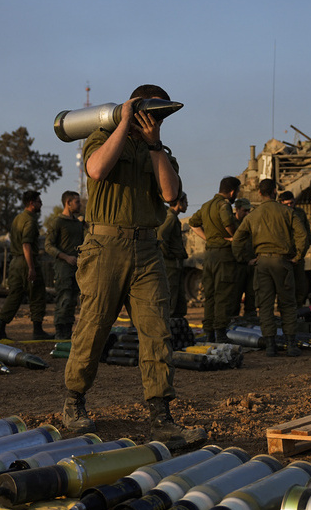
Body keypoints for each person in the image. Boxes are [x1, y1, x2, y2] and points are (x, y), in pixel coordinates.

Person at [61, 84, 206, 449]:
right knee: (94, 327)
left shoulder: (160, 152)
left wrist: (154, 144)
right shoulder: (102, 137)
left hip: (147, 248)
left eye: (158, 116)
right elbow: (95, 170)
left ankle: (161, 417)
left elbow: (171, 195)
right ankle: (74, 401)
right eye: (148, 113)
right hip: (105, 246)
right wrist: (124, 124)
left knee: (157, 332)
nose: (153, 120)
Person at [232, 178, 307, 357]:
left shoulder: (252, 216)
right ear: (275, 191)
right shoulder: (288, 212)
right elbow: (302, 235)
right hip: (283, 262)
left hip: (262, 263)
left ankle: (271, 345)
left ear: (259, 193)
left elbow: (237, 240)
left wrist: (245, 259)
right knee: (287, 303)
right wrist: (298, 256)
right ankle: (290, 344)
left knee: (265, 305)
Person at [0, 190, 51, 341]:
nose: (41, 204)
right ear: (32, 203)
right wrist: (31, 267)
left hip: (16, 262)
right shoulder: (30, 221)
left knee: (15, 295)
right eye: (38, 201)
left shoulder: (18, 218)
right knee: (37, 294)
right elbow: (26, 244)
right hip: (26, 261)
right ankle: (37, 330)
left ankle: (0, 327)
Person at [188, 176, 240, 342]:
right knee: (223, 294)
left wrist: (208, 239)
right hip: (223, 255)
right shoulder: (223, 205)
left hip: (209, 255)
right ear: (232, 192)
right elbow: (227, 223)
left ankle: (209, 332)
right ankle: (221, 334)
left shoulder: (206, 205)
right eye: (236, 192)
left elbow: (193, 224)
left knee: (209, 295)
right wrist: (234, 237)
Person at [45, 190, 85, 339]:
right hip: (63, 268)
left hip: (77, 268)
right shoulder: (58, 222)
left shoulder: (78, 223)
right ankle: (60, 333)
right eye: (77, 202)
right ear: (68, 203)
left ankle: (67, 332)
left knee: (72, 300)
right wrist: (66, 257)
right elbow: (48, 245)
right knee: (64, 299)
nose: (80, 204)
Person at [157, 192, 189, 319]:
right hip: (170, 264)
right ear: (179, 202)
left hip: (175, 263)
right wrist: (169, 255)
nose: (187, 205)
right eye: (186, 202)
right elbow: (161, 237)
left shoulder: (172, 217)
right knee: (170, 295)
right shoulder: (170, 217)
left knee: (178, 299)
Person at [278, 191, 311, 306]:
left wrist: (302, 251)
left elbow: (306, 233)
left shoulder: (300, 213)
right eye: (286, 204)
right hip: (283, 254)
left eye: (291, 203)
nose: (290, 206)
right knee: (284, 285)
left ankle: (298, 307)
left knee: (300, 284)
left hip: (298, 254)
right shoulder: (278, 215)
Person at [230, 197, 257, 319]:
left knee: (252, 299)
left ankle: (250, 323)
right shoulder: (230, 224)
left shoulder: (250, 224)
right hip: (237, 266)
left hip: (251, 265)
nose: (247, 213)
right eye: (244, 210)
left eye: (248, 211)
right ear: (237, 209)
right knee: (234, 299)